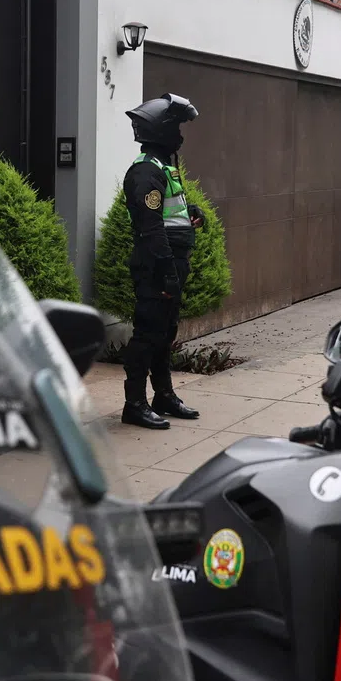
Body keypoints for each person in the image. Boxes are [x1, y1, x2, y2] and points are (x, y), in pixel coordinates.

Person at [121, 93, 206, 430]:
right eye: (177, 127)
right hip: (156, 265)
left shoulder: (163, 169)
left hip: (170, 262)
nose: (181, 136)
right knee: (148, 334)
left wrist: (192, 214)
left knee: (166, 332)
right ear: (161, 131)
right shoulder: (144, 174)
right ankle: (134, 403)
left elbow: (168, 215)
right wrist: (168, 272)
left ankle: (163, 395)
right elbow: (151, 228)